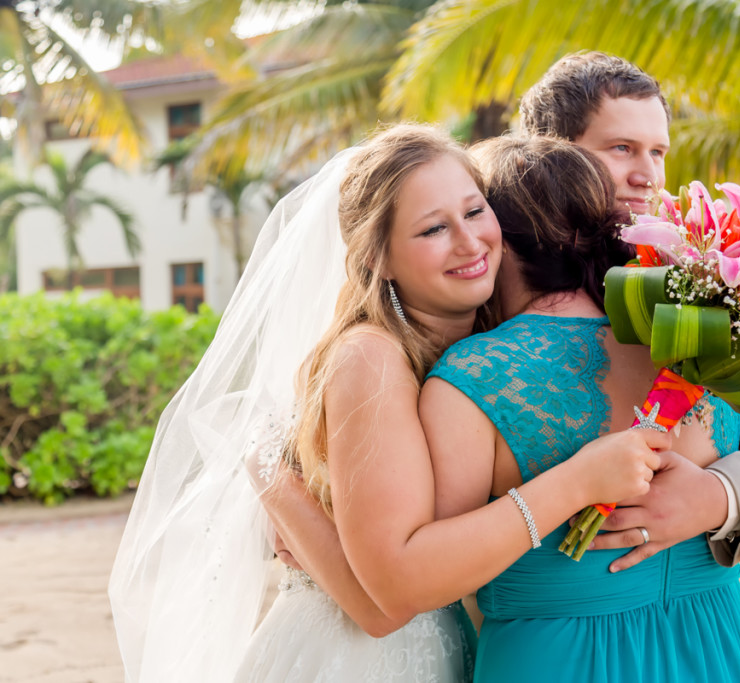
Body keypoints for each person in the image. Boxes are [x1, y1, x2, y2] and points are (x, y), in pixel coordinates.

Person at [109, 124, 667, 683]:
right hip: (357, 659)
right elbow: (384, 607)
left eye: (474, 212)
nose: (470, 243)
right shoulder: (371, 357)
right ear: (378, 257)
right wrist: (267, 472)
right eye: (433, 230)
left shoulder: (477, 351)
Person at [424, 134, 740, 680]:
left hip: (554, 657)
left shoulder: (474, 377)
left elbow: (432, 574)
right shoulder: (697, 348)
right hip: (714, 645)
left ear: (500, 241)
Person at [518, 51, 740, 571]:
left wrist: (718, 496)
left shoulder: (701, 273)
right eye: (622, 149)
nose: (648, 175)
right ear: (554, 155)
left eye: (658, 152)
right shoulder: (491, 267)